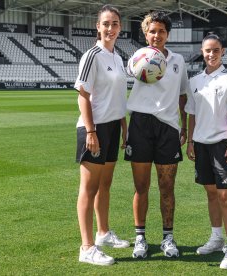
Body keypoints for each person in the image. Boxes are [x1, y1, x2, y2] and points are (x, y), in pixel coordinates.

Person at [125, 11, 188, 259]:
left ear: (167, 34)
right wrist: (140, 62)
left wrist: (184, 127)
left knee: (167, 187)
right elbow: (130, 71)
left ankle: (168, 238)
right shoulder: (137, 57)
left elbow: (183, 95)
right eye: (152, 31)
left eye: (161, 31)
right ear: (145, 33)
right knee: (141, 187)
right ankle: (140, 238)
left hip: (168, 128)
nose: (157, 35)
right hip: (140, 124)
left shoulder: (178, 61)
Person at [74, 4, 129, 266]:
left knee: (105, 185)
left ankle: (103, 233)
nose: (110, 28)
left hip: (112, 127)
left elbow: (118, 98)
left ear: (120, 27)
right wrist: (91, 131)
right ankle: (87, 247)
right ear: (98, 27)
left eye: (115, 23)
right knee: (89, 187)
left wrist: (124, 128)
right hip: (93, 128)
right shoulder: (92, 56)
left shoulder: (118, 58)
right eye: (106, 23)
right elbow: (82, 95)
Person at [185, 33, 227, 269]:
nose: (211, 54)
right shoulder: (195, 81)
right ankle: (216, 237)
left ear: (222, 52)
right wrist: (190, 141)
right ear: (202, 51)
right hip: (200, 144)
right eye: (208, 50)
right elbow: (192, 114)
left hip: (222, 144)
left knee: (225, 197)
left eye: (216, 50)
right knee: (211, 194)